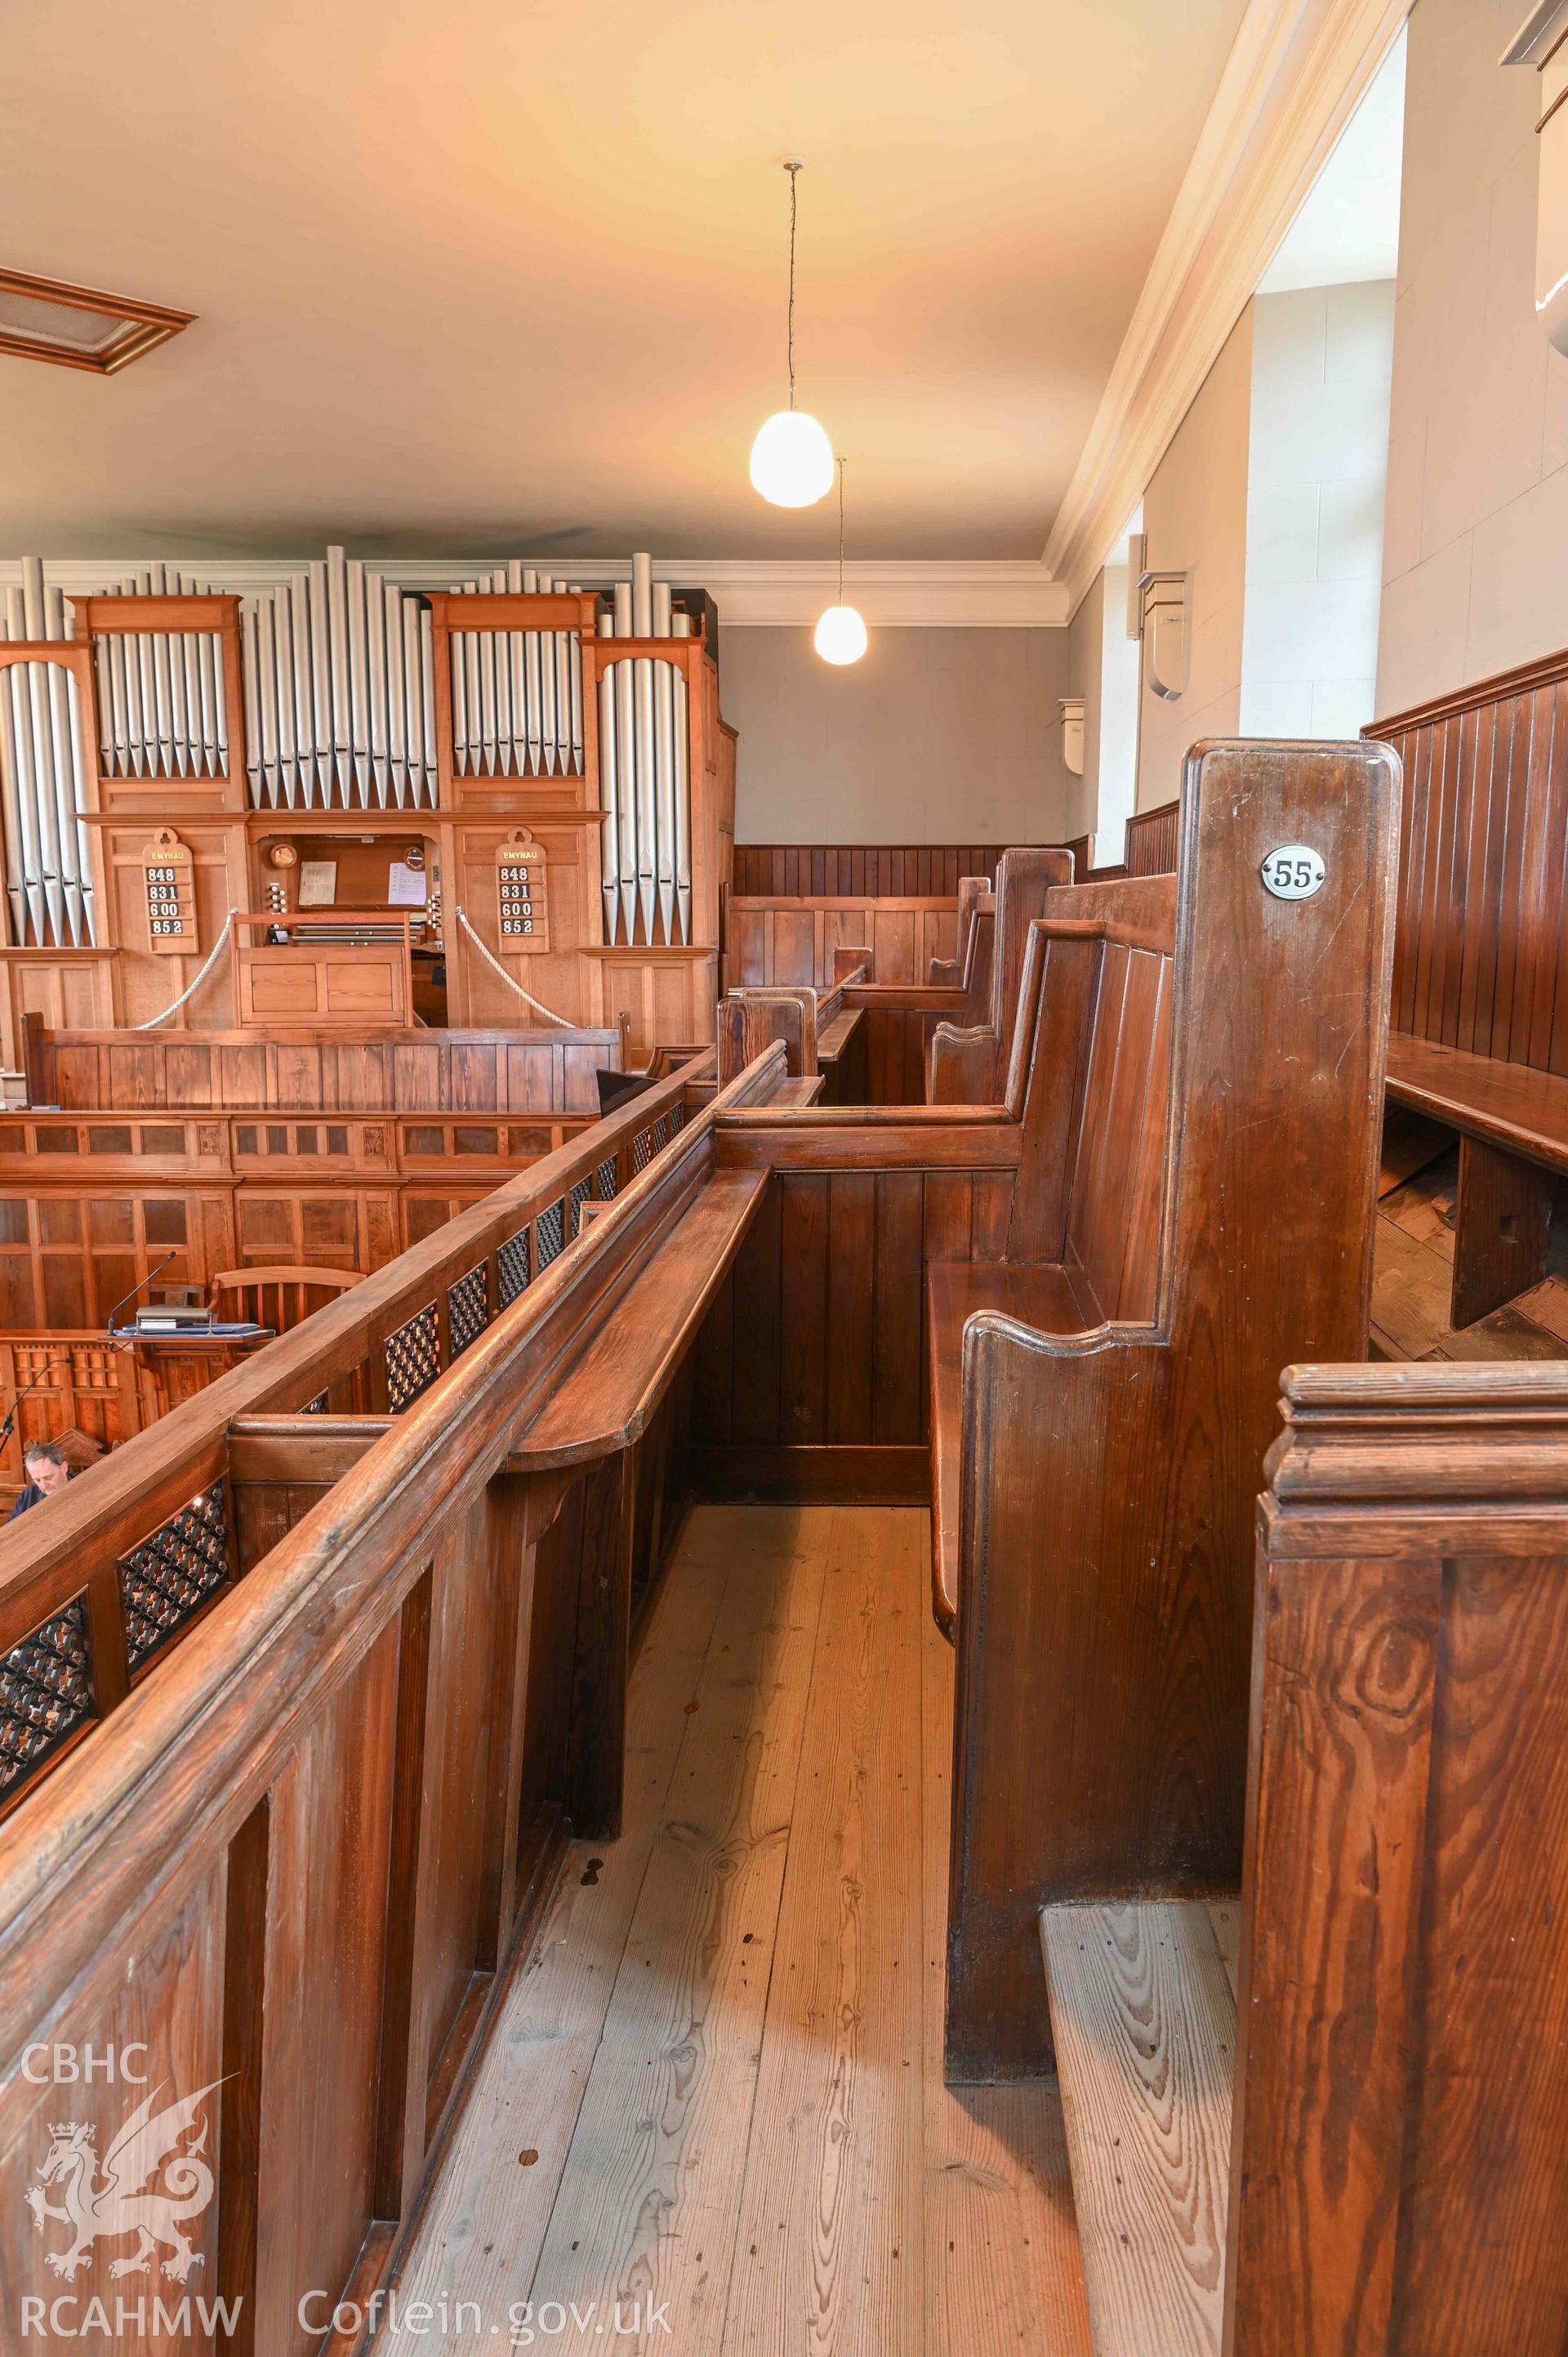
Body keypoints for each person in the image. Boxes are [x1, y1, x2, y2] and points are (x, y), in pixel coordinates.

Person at [9, 1439, 72, 1519]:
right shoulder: (28, 1495)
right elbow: (12, 1528)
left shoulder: (84, 1490)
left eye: (48, 1477)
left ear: (63, 1468)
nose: (43, 1486)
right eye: (37, 1480)